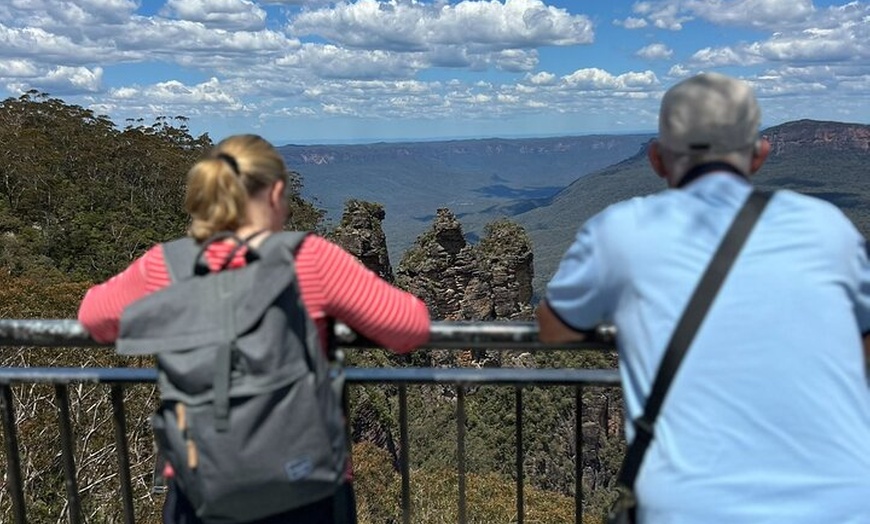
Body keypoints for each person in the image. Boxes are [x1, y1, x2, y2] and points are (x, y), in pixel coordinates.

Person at [536, 73, 870, 523]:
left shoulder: (619, 229)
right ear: (760, 155)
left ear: (656, 158)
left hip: (690, 507)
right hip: (843, 503)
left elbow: (553, 328)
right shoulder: (828, 227)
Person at [78, 134, 431, 524]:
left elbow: (94, 318)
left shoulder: (165, 266)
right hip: (306, 485)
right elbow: (409, 327)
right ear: (277, 192)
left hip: (199, 487)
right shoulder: (308, 260)